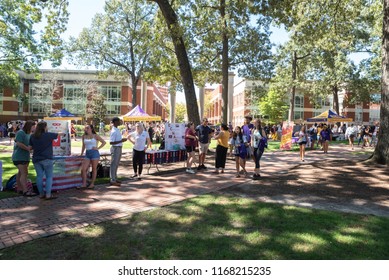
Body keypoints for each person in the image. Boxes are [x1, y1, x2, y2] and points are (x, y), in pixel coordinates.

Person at [29, 121, 59, 200]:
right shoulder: (48, 135)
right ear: (45, 127)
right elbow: (59, 134)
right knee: (49, 177)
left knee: (39, 176)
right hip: (47, 158)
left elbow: (30, 147)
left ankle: (41, 194)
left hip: (36, 159)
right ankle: (48, 195)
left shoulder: (32, 136)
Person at [12, 120, 36, 196]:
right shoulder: (21, 133)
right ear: (29, 126)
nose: (34, 128)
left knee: (20, 173)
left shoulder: (30, 134)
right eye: (33, 126)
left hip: (26, 157)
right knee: (24, 173)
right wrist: (27, 148)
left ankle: (19, 189)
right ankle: (25, 190)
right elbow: (18, 143)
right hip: (19, 156)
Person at [79, 124, 106, 189]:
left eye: (87, 128)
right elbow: (83, 145)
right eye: (85, 128)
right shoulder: (84, 136)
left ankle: (92, 183)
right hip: (87, 153)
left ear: (91, 129)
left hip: (94, 153)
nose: (86, 129)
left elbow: (103, 142)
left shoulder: (95, 136)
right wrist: (81, 153)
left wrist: (98, 148)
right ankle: (84, 184)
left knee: (94, 169)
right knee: (83, 169)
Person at [109, 117, 127, 186]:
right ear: (115, 122)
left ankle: (114, 178)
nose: (120, 122)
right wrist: (121, 141)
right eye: (118, 121)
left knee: (116, 164)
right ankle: (112, 179)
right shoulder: (113, 131)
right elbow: (111, 142)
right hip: (115, 148)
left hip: (119, 147)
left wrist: (121, 140)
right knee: (113, 164)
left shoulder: (117, 129)